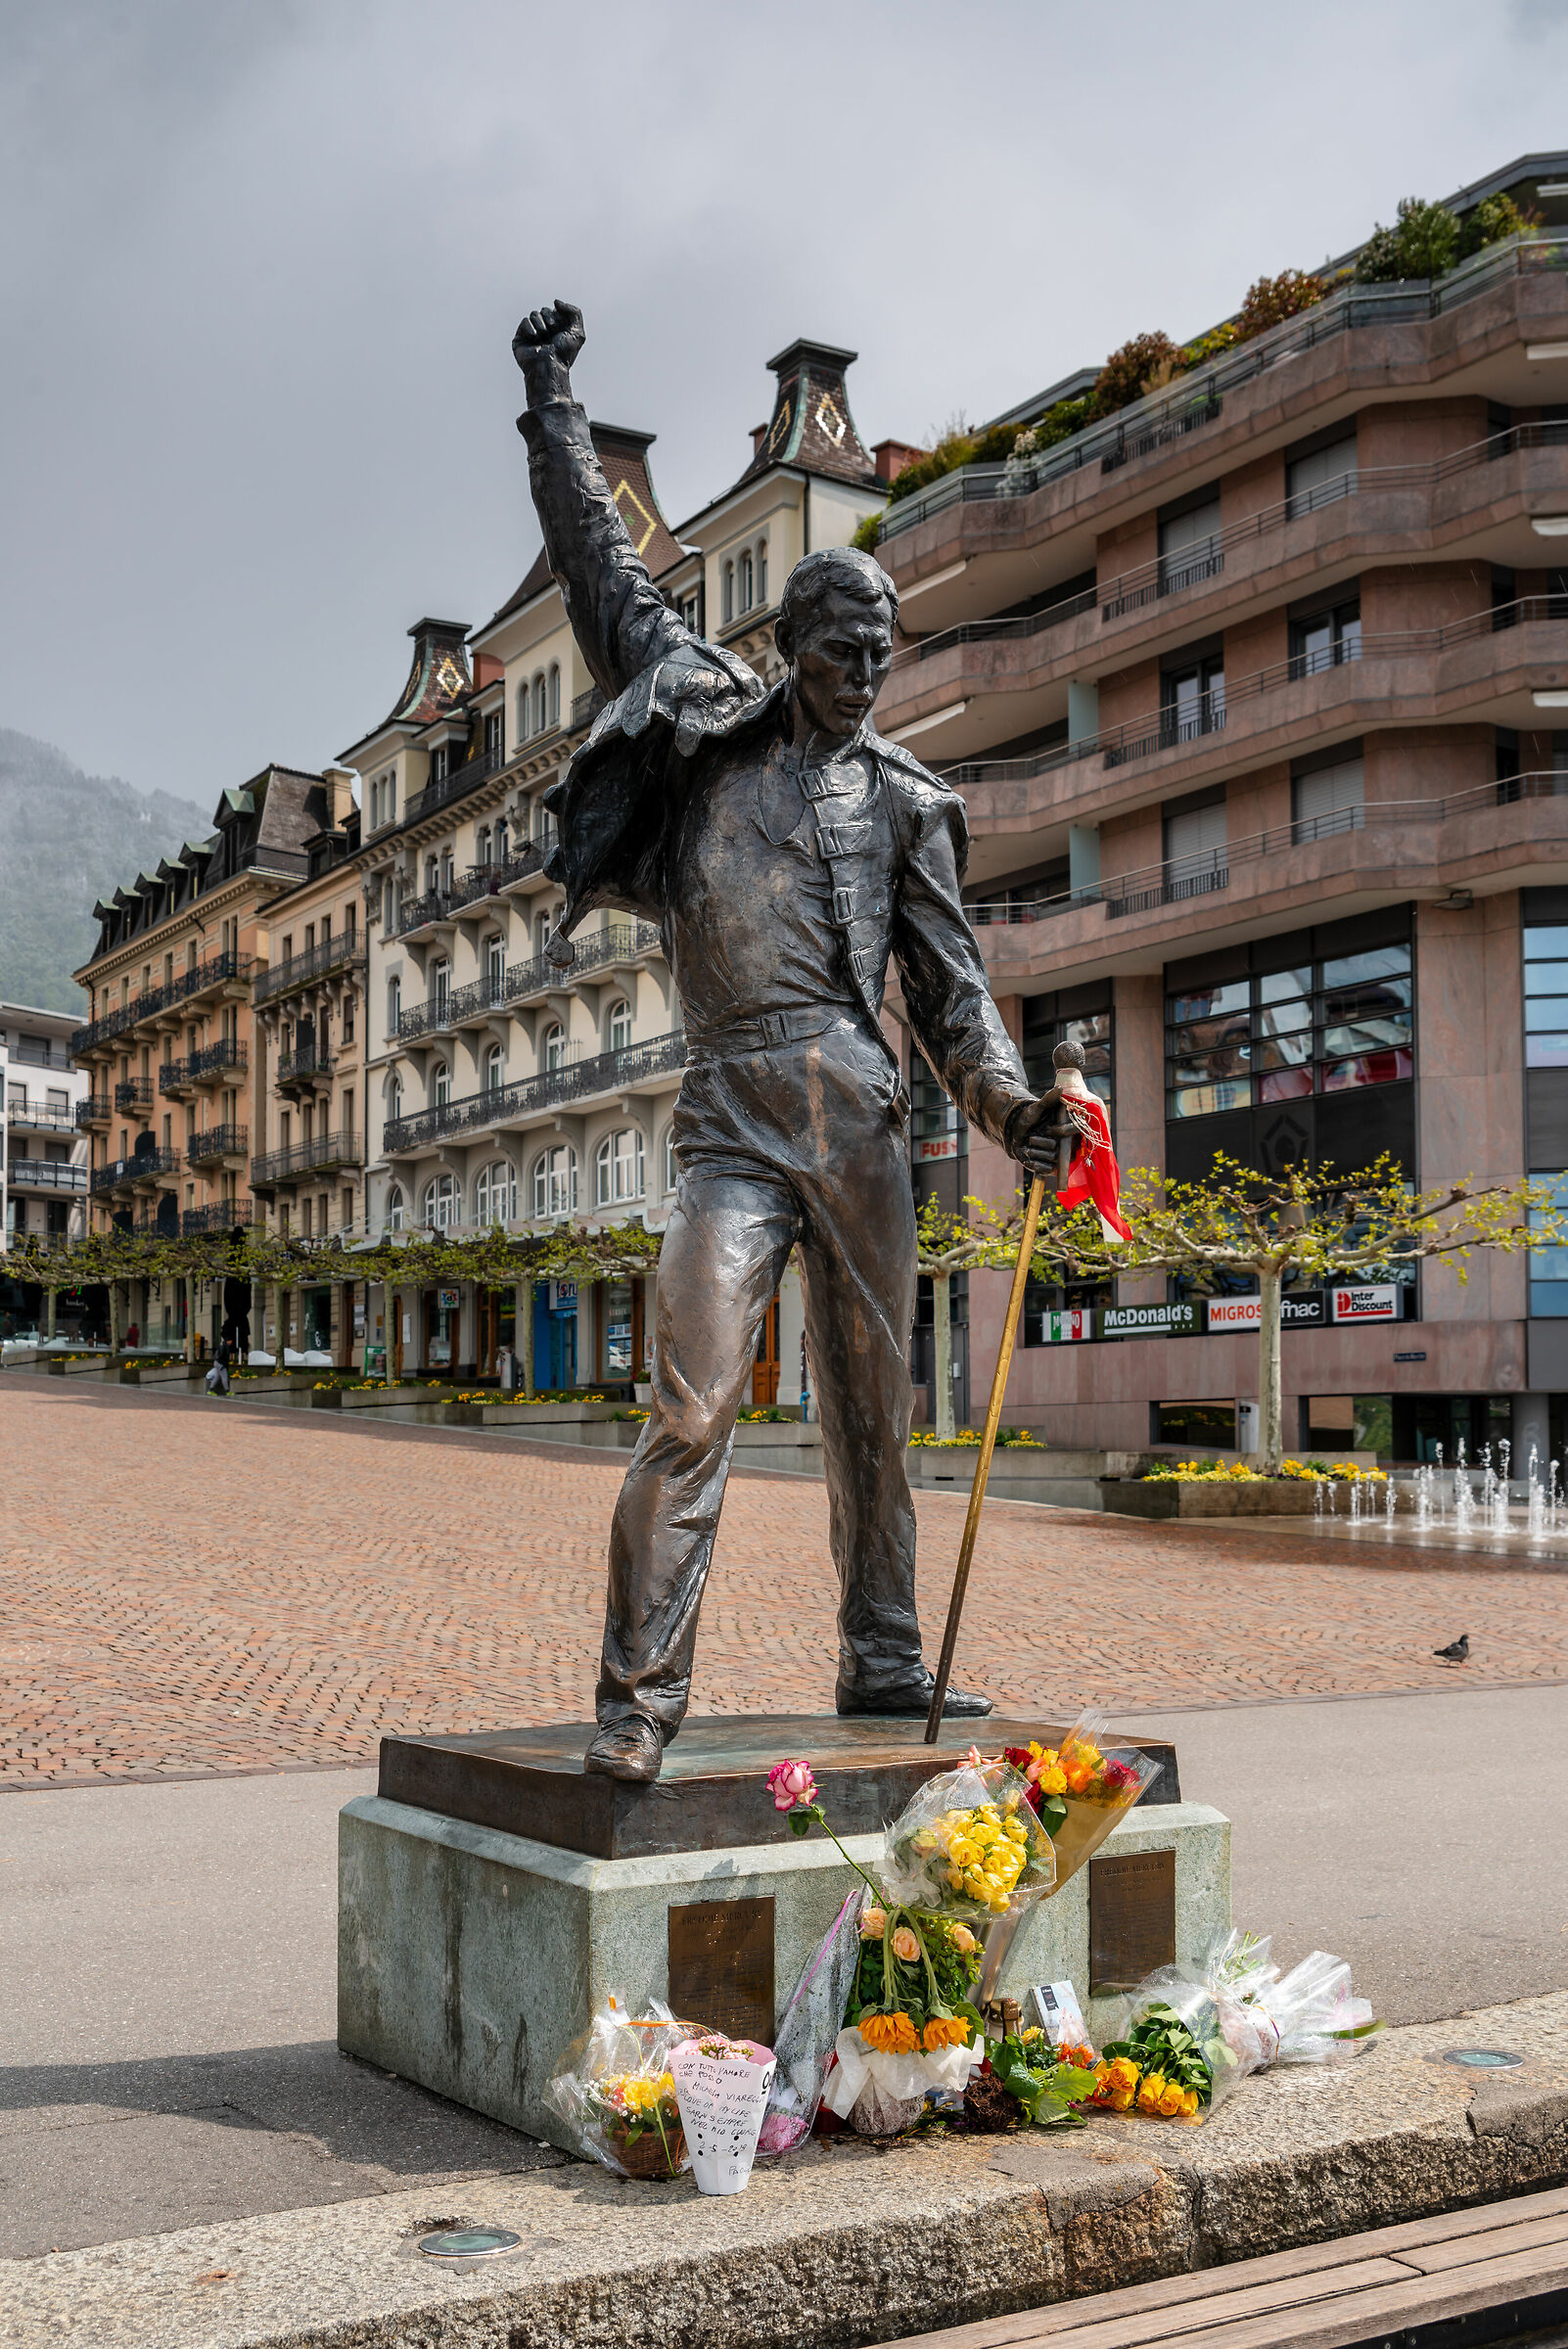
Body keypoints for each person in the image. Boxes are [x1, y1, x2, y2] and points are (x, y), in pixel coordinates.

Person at [513, 300, 1065, 1782]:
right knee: (689, 1403)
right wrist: (552, 402)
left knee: (875, 1412)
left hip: (863, 1119)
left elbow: (951, 988)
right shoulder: (698, 720)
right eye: (840, 648)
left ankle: (882, 1657)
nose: (865, 672)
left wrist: (1009, 1111)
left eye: (882, 651)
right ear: (785, 643)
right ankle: (636, 1705)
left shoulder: (905, 797)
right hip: (730, 1109)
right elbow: (596, 559)